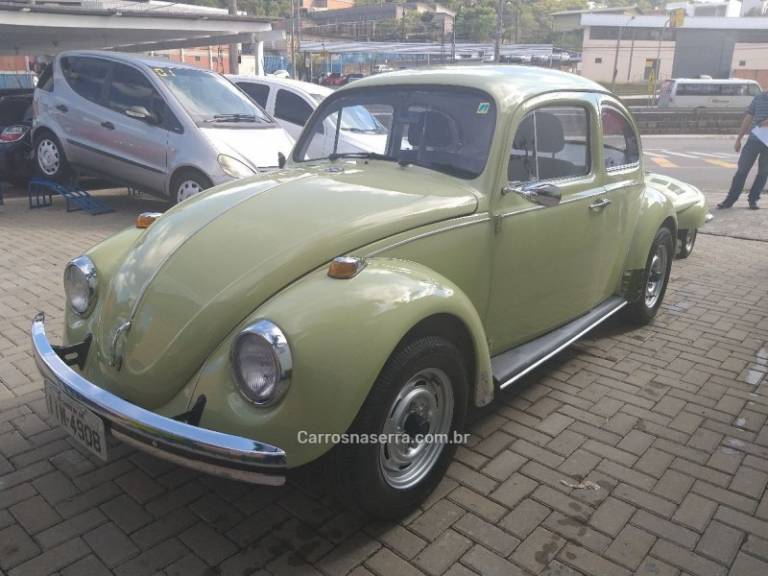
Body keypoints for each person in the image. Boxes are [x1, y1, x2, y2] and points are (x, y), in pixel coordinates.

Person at [718, 88, 768, 210]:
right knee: (742, 170)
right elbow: (748, 118)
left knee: (763, 173)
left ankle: (753, 200)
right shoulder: (758, 97)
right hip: (753, 140)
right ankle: (730, 200)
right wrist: (738, 139)